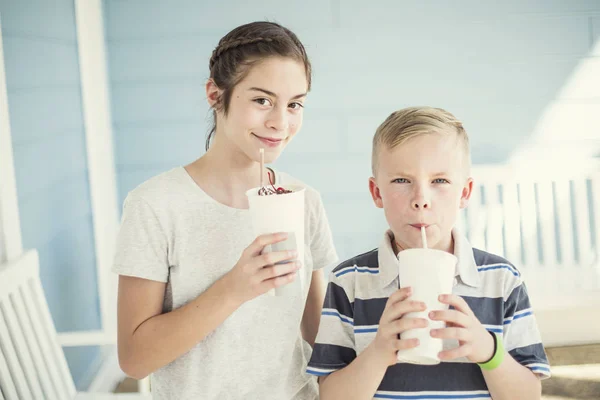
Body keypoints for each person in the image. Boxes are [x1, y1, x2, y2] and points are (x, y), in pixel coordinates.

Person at [113, 21, 338, 399]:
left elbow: (318, 335)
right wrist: (233, 290)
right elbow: (135, 360)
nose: (280, 122)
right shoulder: (154, 205)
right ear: (215, 95)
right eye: (262, 100)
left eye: (294, 104)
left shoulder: (305, 200)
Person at [307, 106, 551, 400]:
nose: (421, 199)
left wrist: (489, 351)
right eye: (401, 181)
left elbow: (529, 396)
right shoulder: (349, 282)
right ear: (376, 193)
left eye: (440, 181)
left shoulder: (501, 280)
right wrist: (379, 352)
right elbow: (330, 397)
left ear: (464, 192)